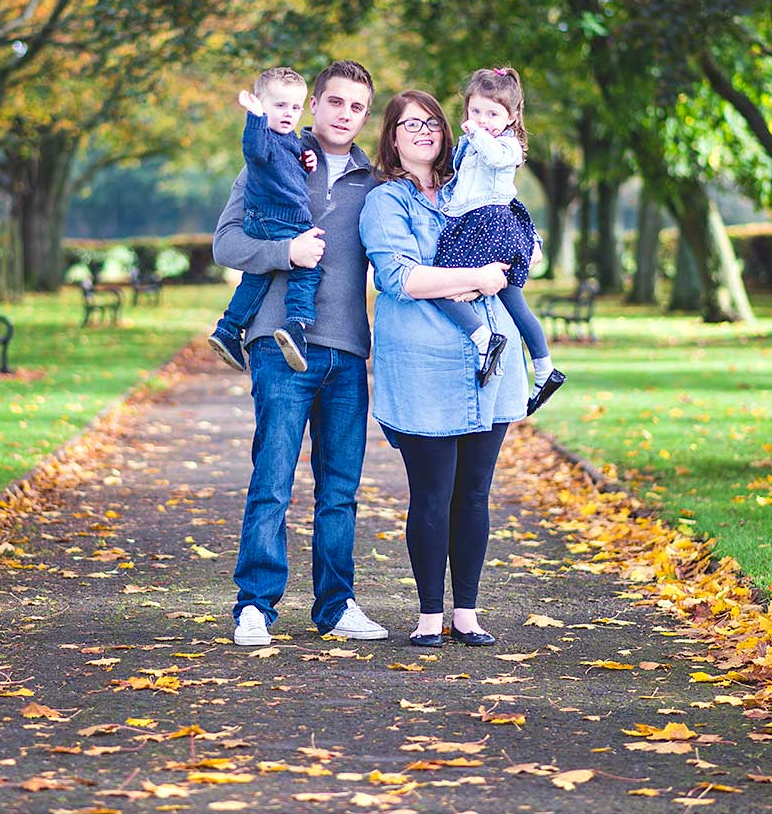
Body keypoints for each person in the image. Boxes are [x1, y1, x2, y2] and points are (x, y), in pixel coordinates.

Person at [212, 59, 390, 647]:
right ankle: (255, 606)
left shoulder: (377, 179)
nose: (345, 115)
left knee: (340, 490)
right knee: (274, 479)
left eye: (358, 107)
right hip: (279, 346)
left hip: (347, 350)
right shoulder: (275, 154)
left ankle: (337, 606)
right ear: (315, 103)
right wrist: (285, 251)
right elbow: (226, 242)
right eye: (335, 102)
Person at [359, 89, 527, 649]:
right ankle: (430, 613)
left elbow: (519, 247)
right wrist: (480, 277)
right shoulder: (387, 201)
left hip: (490, 365)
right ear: (392, 136)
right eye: (410, 124)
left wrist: (508, 265)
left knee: (475, 493)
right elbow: (402, 279)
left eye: (431, 122)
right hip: (422, 366)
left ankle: (466, 613)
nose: (423, 131)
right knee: (431, 494)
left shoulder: (470, 186)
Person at [430, 67, 565, 415]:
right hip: (471, 222)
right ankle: (545, 369)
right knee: (513, 302)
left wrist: (476, 134)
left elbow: (495, 158)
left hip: (488, 224)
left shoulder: (507, 145)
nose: (483, 120)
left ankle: (484, 339)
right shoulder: (470, 145)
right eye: (475, 112)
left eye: (493, 113)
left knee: (442, 287)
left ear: (511, 116)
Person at [208, 67, 321, 373]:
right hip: (277, 218)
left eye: (295, 107)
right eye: (280, 105)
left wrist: (305, 160)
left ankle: (229, 328)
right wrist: (255, 116)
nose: (289, 114)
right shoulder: (262, 136)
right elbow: (256, 151)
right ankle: (296, 325)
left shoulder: (289, 140)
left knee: (257, 277)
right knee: (308, 269)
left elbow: (286, 165)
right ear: (261, 103)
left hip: (272, 218)